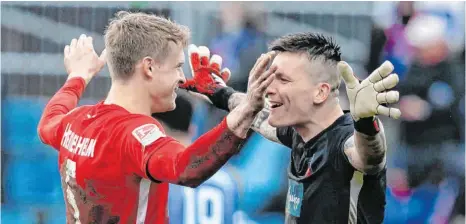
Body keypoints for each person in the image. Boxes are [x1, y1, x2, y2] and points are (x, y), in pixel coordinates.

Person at [37, 11, 272, 223]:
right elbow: (187, 168)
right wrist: (247, 108)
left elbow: (48, 123)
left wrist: (77, 77)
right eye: (177, 67)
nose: (181, 79)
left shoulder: (76, 120)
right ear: (149, 68)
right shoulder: (135, 133)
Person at [182, 32, 401, 223]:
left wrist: (364, 122)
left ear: (320, 92)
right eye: (270, 77)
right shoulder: (300, 133)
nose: (269, 89)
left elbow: (370, 156)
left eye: (283, 80)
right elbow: (258, 114)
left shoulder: (345, 142)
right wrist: (218, 91)